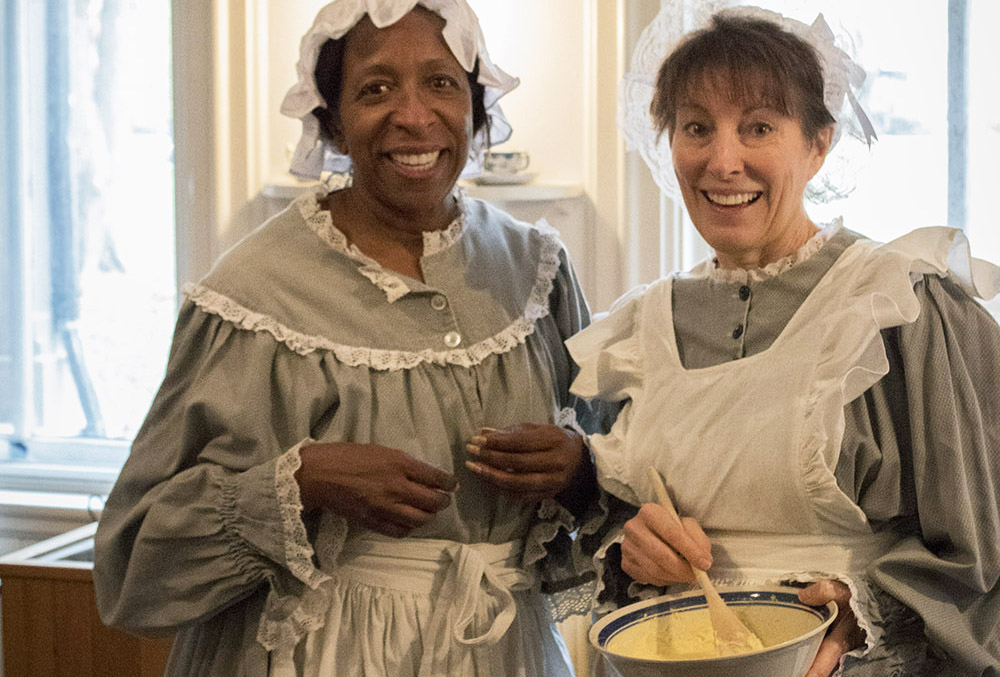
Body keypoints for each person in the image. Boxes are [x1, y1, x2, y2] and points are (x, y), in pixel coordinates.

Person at [93, 1, 600, 675]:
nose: (415, 116)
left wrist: (577, 467)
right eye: (376, 88)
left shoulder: (535, 271)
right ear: (331, 119)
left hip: (506, 652)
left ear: (478, 106)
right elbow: (132, 564)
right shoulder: (254, 292)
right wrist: (300, 481)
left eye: (442, 82)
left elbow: (621, 468)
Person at [569, 4, 1000, 677]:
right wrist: (638, 544)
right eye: (696, 128)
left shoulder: (897, 303)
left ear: (818, 144)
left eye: (759, 127)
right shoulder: (638, 329)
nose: (723, 160)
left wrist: (869, 606)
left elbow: (982, 543)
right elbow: (615, 515)